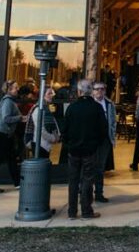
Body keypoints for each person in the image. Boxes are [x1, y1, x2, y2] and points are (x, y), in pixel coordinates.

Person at [62, 79, 107, 219]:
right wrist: (96, 144)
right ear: (90, 91)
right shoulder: (96, 107)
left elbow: (65, 130)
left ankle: (72, 211)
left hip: (74, 150)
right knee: (88, 179)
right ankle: (86, 211)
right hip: (90, 150)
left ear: (79, 91)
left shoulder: (72, 107)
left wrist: (69, 144)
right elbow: (103, 129)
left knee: (73, 181)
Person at [0, 80, 24, 194]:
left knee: (11, 158)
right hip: (1, 133)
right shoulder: (8, 101)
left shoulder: (9, 101)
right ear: (9, 90)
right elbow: (5, 118)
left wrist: (20, 118)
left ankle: (17, 183)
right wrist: (20, 118)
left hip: (4, 133)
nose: (17, 89)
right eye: (15, 87)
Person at [90, 80, 117, 202]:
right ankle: (86, 191)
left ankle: (99, 192)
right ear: (92, 91)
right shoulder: (89, 103)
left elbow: (113, 121)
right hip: (91, 139)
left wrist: (112, 136)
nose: (99, 91)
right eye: (97, 89)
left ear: (105, 91)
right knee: (89, 166)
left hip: (105, 139)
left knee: (100, 167)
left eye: (102, 89)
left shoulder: (109, 104)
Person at [25, 87, 61, 159]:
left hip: (45, 145)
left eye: (52, 93)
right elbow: (41, 130)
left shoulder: (45, 108)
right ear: (43, 95)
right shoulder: (39, 109)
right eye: (49, 93)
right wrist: (54, 138)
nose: (52, 95)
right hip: (40, 145)